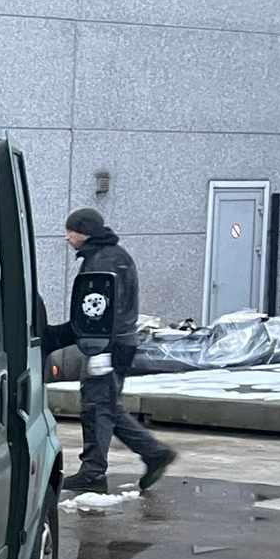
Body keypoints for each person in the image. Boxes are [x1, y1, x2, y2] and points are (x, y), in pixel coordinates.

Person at [43, 207, 179, 494]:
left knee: (96, 407)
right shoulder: (115, 256)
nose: (67, 237)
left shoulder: (102, 261)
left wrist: (54, 337)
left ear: (84, 231)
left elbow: (95, 314)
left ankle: (95, 472)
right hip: (118, 343)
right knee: (106, 406)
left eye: (70, 231)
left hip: (105, 345)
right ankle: (151, 454)